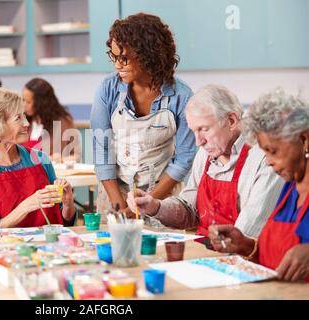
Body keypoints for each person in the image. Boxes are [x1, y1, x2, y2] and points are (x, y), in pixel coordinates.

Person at [127, 85, 284, 241]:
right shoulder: (207, 153)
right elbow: (190, 211)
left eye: (204, 129)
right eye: (194, 131)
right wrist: (155, 207)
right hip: (206, 248)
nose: (198, 142)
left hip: (241, 255)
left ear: (231, 120)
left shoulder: (265, 159)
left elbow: (244, 237)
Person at [91, 13, 196, 220]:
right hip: (115, 191)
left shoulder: (181, 97)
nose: (117, 65)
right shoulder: (108, 89)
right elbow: (102, 151)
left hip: (162, 195)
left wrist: (149, 203)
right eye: (114, 57)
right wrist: (120, 206)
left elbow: (183, 159)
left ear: (148, 55)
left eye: (124, 58)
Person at [208, 89, 309, 282]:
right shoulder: (290, 188)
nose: (269, 162)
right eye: (265, 153)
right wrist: (245, 245)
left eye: (273, 151)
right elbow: (276, 255)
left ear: (303, 140)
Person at [0, 88, 76, 228]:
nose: (26, 123)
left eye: (24, 116)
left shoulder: (40, 158)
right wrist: (26, 206)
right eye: (18, 118)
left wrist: (68, 204)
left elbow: (64, 220)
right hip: (4, 248)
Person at [22, 77, 80, 162]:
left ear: (42, 103)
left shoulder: (64, 123)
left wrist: (62, 159)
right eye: (23, 100)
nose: (24, 105)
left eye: (28, 102)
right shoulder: (22, 122)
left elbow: (77, 156)